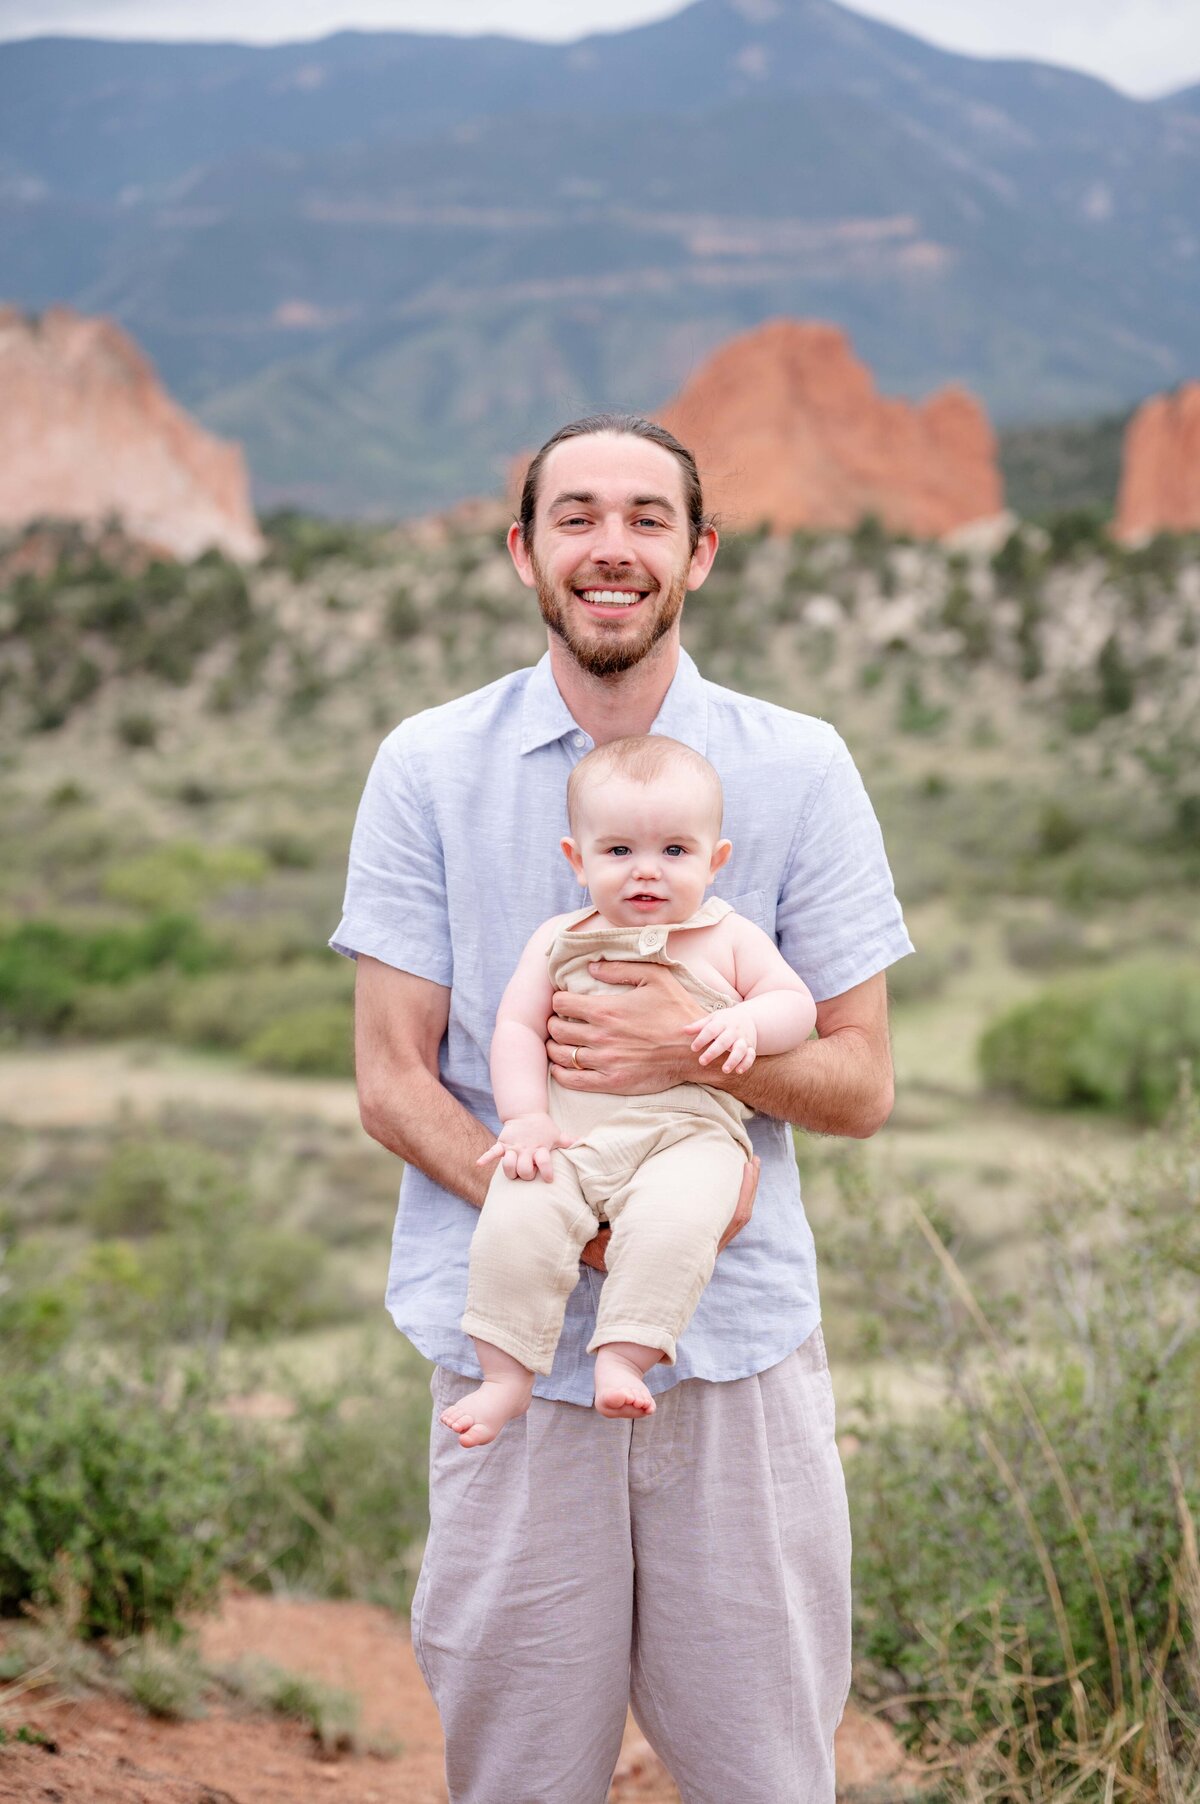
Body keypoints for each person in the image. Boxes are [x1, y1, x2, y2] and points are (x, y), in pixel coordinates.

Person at [333, 411, 913, 1804]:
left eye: (648, 519)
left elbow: (862, 1081)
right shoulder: (428, 767)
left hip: (740, 1351)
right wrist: (559, 1210)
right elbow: (391, 1078)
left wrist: (691, 1051)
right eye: (577, 516)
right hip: (508, 1365)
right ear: (522, 549)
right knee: (521, 1778)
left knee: (765, 1777)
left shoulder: (797, 767)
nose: (613, 548)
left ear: (698, 555)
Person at [444, 734, 818, 1446]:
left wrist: (747, 1020)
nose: (647, 871)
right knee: (515, 1214)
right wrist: (523, 1117)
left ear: (716, 860)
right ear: (576, 860)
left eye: (675, 852)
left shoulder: (727, 937)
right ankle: (504, 1375)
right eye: (619, 852)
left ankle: (624, 1357)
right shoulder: (558, 938)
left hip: (689, 1136)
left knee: (676, 1225)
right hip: (572, 1133)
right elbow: (517, 1029)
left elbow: (794, 1006)